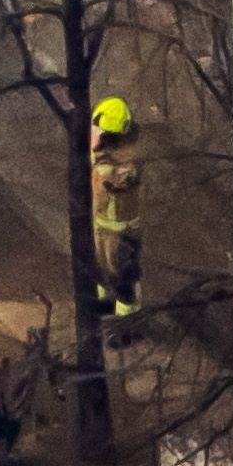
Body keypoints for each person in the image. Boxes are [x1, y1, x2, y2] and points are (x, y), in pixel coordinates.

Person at [89, 98, 145, 323]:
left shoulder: (129, 159)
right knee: (101, 273)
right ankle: (102, 311)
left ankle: (128, 326)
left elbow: (119, 178)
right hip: (101, 227)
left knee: (124, 279)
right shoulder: (104, 150)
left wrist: (100, 160)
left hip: (123, 232)